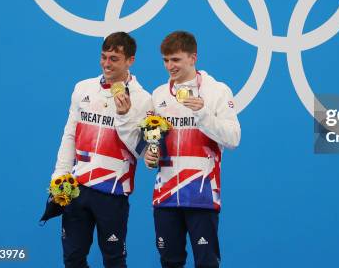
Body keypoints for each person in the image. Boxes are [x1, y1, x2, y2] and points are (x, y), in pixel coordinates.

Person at [52, 32, 153, 268]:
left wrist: (125, 116)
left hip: (113, 192)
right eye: (103, 57)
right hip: (77, 188)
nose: (106, 64)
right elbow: (70, 135)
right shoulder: (83, 88)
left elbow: (143, 151)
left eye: (114, 59)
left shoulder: (143, 100)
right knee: (73, 259)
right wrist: (59, 175)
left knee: (114, 261)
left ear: (130, 60)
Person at [145, 31, 241, 268]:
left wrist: (202, 113)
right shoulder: (158, 95)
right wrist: (149, 155)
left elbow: (233, 139)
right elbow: (152, 140)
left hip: (202, 195)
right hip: (165, 196)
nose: (170, 66)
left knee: (207, 264)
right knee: (169, 262)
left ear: (193, 57)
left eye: (175, 60)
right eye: (166, 60)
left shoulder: (217, 91)